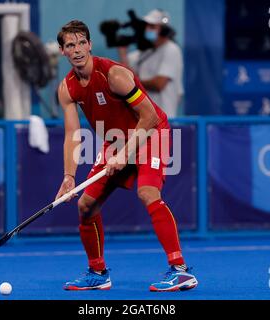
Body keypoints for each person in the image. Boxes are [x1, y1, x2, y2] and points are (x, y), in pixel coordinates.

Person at [55, 20, 197, 292]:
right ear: (63, 51)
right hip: (115, 142)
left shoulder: (114, 75)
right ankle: (98, 273)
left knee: (147, 192)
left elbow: (150, 116)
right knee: (85, 205)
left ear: (90, 44)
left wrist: (126, 154)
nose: (77, 49)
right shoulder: (67, 89)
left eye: (82, 42)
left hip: (151, 132)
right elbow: (72, 134)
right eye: (70, 45)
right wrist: (69, 177)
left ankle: (180, 271)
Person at [118, 9, 183, 118]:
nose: (147, 30)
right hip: (146, 118)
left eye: (152, 27)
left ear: (164, 31)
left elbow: (159, 84)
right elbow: (127, 74)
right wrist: (123, 52)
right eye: (147, 26)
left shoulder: (172, 50)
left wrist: (133, 84)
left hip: (164, 118)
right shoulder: (145, 52)